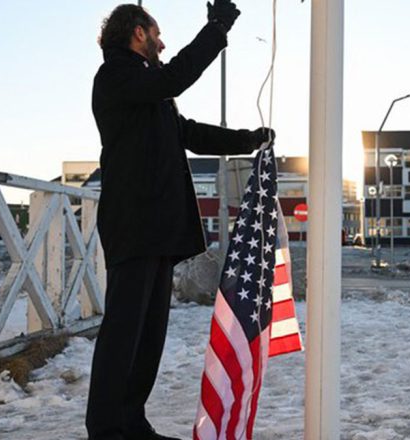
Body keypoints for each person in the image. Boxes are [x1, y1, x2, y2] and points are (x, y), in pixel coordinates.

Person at [86, 3, 274, 440]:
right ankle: (106, 429)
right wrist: (217, 27)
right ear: (138, 34)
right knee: (123, 334)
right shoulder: (116, 77)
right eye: (157, 33)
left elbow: (190, 132)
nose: (162, 43)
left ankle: (130, 422)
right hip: (133, 226)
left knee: (148, 337)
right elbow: (176, 75)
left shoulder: (147, 90)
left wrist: (250, 140)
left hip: (155, 230)